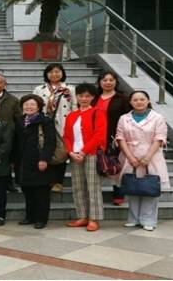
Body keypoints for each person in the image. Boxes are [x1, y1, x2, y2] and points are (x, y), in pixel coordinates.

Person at [116, 91, 169, 231]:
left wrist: (147, 157)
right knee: (133, 187)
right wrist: (131, 158)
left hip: (152, 155)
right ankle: (133, 219)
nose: (139, 102)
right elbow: (120, 138)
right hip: (130, 155)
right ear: (131, 102)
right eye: (135, 100)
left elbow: (160, 138)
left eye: (142, 99)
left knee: (150, 188)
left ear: (148, 100)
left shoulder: (158, 118)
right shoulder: (124, 118)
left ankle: (149, 220)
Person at [63, 83, 107, 232]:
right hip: (74, 155)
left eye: (87, 96)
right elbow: (66, 136)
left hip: (91, 154)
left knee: (93, 187)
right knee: (78, 186)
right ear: (77, 97)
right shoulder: (71, 115)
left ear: (93, 97)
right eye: (81, 95)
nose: (84, 98)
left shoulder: (97, 112)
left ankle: (94, 218)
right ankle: (82, 216)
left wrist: (83, 152)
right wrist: (71, 152)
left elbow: (99, 136)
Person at [14, 94, 56, 229]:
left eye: (32, 104)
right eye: (26, 104)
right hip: (23, 161)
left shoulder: (45, 121)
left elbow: (50, 142)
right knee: (28, 190)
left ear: (38, 106)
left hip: (39, 160)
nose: (29, 107)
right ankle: (30, 217)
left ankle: (41, 219)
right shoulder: (19, 120)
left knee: (41, 192)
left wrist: (44, 159)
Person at [33, 63, 76, 192]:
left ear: (62, 73)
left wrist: (73, 123)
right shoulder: (39, 89)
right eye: (51, 72)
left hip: (63, 123)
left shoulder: (70, 89)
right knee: (46, 150)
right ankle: (48, 180)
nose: (54, 74)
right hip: (45, 123)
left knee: (61, 153)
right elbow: (33, 105)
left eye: (57, 71)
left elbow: (74, 106)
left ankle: (58, 181)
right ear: (46, 74)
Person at [92, 71, 131, 206]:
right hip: (95, 137)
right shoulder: (93, 98)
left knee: (116, 164)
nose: (108, 82)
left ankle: (118, 193)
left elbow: (128, 118)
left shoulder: (123, 99)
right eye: (104, 80)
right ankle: (95, 195)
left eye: (111, 80)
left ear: (116, 82)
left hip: (114, 137)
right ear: (99, 82)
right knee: (96, 165)